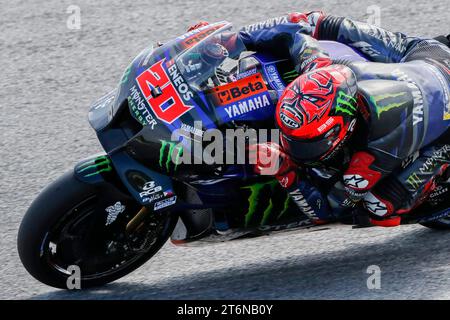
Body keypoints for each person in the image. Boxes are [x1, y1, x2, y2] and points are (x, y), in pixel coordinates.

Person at [188, 12, 450, 226]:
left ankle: (441, 170)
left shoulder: (373, 155)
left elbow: (331, 209)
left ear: (342, 131)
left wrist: (286, 171)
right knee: (319, 23)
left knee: (378, 208)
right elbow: (296, 28)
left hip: (437, 117)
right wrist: (232, 41)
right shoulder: (319, 67)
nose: (294, 148)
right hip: (425, 57)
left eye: (306, 143)